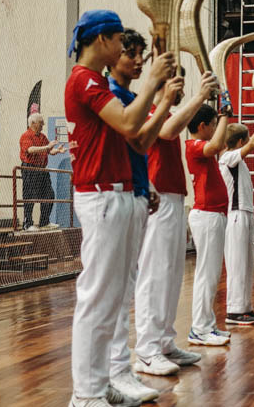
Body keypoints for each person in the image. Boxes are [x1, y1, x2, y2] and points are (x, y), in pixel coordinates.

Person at [65, 10, 175, 407]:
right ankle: (86, 394)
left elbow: (139, 141)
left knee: (112, 298)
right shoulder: (83, 80)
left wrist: (162, 97)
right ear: (101, 40)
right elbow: (129, 123)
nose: (123, 49)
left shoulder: (95, 81)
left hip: (119, 194)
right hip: (101, 196)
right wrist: (153, 83)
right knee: (97, 297)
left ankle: (102, 381)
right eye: (118, 41)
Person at [106, 28, 184, 402]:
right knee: (114, 292)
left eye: (143, 54)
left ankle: (126, 367)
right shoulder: (114, 96)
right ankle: (119, 369)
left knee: (140, 283)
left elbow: (139, 145)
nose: (139, 61)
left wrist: (144, 183)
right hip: (108, 197)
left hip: (138, 193)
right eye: (131, 53)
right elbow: (150, 136)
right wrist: (172, 97)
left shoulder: (133, 98)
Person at [134, 64, 219, 376]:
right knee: (154, 274)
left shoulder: (168, 113)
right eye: (177, 82)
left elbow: (175, 125)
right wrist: (200, 97)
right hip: (156, 199)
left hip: (173, 198)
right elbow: (168, 131)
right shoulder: (148, 111)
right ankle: (146, 350)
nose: (182, 87)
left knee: (172, 275)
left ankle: (165, 342)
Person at [220, 107, 254, 324]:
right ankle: (234, 310)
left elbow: (250, 144)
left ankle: (244, 307)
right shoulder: (228, 157)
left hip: (245, 213)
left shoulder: (237, 160)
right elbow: (253, 145)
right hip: (236, 215)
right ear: (240, 141)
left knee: (246, 263)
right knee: (237, 263)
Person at [185, 104, 232, 346]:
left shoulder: (201, 146)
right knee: (206, 274)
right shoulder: (194, 145)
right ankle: (200, 329)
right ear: (202, 126)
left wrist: (221, 119)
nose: (215, 129)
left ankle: (207, 324)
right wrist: (224, 116)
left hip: (213, 215)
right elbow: (215, 146)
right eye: (213, 125)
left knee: (211, 274)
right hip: (206, 215)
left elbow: (218, 145)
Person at [19, 113, 65, 230]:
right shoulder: (26, 136)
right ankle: (28, 223)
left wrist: (57, 151)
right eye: (41, 122)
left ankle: (44, 222)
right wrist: (47, 147)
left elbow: (49, 151)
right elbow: (30, 150)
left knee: (49, 194)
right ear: (33, 123)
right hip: (30, 168)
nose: (43, 124)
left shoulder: (42, 137)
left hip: (42, 169)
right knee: (29, 196)